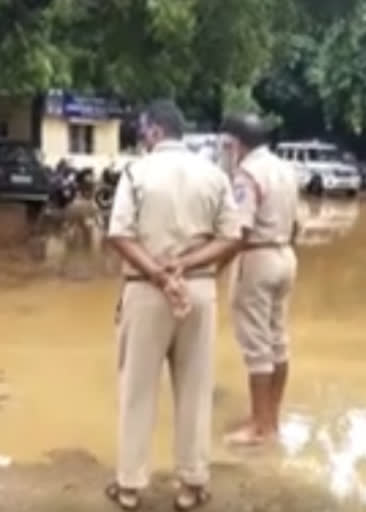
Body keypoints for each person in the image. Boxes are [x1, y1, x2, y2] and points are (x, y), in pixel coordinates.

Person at [105, 99, 242, 510]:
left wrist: (159, 273)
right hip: (198, 291)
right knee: (195, 389)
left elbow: (119, 235)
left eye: (143, 132)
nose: (142, 139)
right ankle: (192, 484)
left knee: (137, 389)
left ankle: (130, 486)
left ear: (154, 132)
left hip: (146, 291)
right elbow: (232, 237)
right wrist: (185, 264)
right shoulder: (215, 175)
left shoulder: (136, 172)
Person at [219, 113, 300, 446]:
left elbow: (240, 230)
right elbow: (298, 224)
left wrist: (214, 268)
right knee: (278, 339)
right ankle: (271, 419)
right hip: (285, 255)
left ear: (236, 143)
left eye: (226, 144)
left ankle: (259, 426)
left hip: (257, 257)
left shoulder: (247, 174)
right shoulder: (285, 169)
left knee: (256, 346)